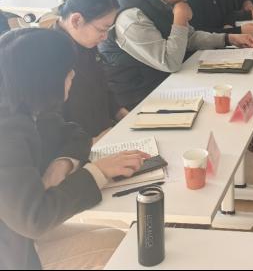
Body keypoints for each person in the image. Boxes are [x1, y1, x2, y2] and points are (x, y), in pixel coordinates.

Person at [0, 28, 148, 270]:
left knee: (118, 236)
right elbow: (34, 219)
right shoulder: (6, 133)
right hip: (12, 249)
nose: (73, 74)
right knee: (116, 245)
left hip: (19, 231)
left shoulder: (28, 104)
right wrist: (98, 172)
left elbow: (76, 135)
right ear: (43, 78)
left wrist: (63, 163)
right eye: (67, 70)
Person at [99, 0, 253, 110]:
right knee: (218, 103)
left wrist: (228, 39)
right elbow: (170, 62)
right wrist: (180, 19)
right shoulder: (132, 18)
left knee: (230, 87)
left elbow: (189, 37)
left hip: (166, 80)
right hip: (139, 96)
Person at [54, 0, 128, 142]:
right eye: (102, 29)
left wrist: (124, 116)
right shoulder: (48, 58)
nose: (104, 37)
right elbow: (51, 125)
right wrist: (90, 142)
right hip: (80, 148)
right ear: (76, 20)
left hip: (106, 135)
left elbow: (103, 88)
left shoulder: (85, 42)